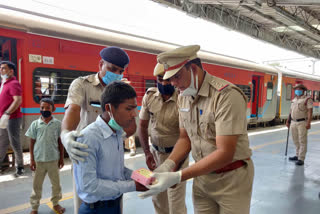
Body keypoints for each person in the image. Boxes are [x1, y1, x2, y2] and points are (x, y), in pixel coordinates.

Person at [139, 45, 254, 214]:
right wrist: (168, 165)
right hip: (202, 178)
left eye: (176, 76)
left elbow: (225, 152)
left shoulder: (226, 96)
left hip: (232, 179)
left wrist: (178, 176)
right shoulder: (184, 97)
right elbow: (185, 138)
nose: (173, 83)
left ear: (193, 68)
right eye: (170, 78)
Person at [60, 46, 136, 213]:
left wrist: (118, 133)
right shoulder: (82, 84)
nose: (117, 74)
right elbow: (73, 110)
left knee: (115, 199)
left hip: (110, 154)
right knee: (88, 200)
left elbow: (131, 125)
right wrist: (65, 134)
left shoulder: (120, 91)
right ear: (100, 64)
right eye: (112, 69)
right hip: (86, 153)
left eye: (120, 70)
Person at [73, 81, 148, 214]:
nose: (134, 114)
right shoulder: (88, 138)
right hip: (96, 209)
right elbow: (89, 185)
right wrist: (132, 185)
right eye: (128, 109)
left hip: (114, 205)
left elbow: (117, 170)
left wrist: (139, 177)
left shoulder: (117, 133)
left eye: (134, 108)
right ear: (109, 108)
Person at [138, 63, 188, 214]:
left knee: (175, 202)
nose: (164, 83)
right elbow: (142, 126)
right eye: (160, 79)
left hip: (177, 156)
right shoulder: (150, 97)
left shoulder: (183, 100)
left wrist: (175, 165)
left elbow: (186, 137)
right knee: (159, 199)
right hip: (155, 154)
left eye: (168, 79)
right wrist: (147, 153)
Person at [25, 98, 65, 214]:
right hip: (39, 160)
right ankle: (34, 207)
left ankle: (56, 203)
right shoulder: (35, 124)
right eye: (42, 107)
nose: (44, 110)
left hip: (53, 160)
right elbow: (31, 142)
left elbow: (60, 143)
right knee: (36, 186)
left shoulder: (57, 124)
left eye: (47, 107)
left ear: (53, 109)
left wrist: (61, 158)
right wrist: (31, 160)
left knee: (56, 185)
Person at [0, 61, 24, 176]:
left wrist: (7, 113)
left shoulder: (14, 83)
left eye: (4, 68)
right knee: (2, 141)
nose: (1, 70)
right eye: (0, 68)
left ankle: (20, 167)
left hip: (12, 118)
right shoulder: (4, 83)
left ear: (11, 71)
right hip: (3, 118)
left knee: (14, 142)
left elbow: (18, 100)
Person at [286, 83, 313, 166]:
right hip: (293, 122)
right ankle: (297, 155)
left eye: (299, 89)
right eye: (296, 89)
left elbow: (310, 111)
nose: (297, 90)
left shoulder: (307, 99)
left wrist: (308, 122)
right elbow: (291, 111)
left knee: (302, 140)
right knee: (295, 140)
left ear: (303, 91)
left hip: (302, 122)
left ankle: (301, 158)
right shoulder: (294, 100)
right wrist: (288, 120)